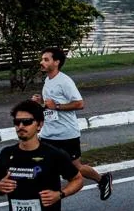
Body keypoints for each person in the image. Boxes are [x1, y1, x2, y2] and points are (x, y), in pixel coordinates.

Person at [0, 101, 83, 211]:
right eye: (17, 122)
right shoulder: (7, 154)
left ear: (39, 125)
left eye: (27, 122)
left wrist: (60, 194)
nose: (21, 126)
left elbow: (77, 179)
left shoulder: (53, 154)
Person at [34, 46, 113, 200]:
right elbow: (50, 105)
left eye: (46, 59)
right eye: (42, 59)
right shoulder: (48, 80)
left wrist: (56, 106)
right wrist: (40, 103)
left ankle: (102, 179)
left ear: (56, 62)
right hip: (48, 134)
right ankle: (46, 196)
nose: (41, 62)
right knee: (45, 164)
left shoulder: (65, 81)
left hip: (66, 135)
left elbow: (79, 103)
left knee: (75, 168)